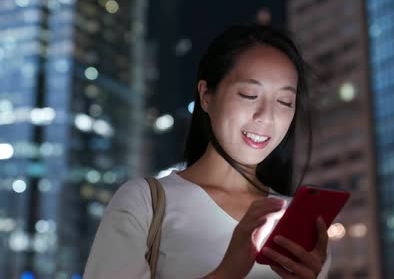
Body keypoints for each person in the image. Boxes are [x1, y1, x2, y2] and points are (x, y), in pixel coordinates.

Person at [83, 24, 331, 278]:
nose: (266, 116)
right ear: (206, 96)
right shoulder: (144, 202)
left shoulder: (297, 226)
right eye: (248, 95)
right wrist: (228, 271)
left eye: (284, 102)